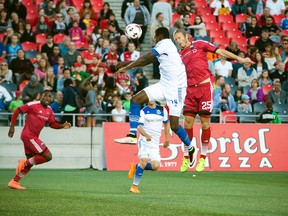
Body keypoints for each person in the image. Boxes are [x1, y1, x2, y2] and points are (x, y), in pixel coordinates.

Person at [173, 29, 254, 172]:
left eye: (179, 38)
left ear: (186, 36)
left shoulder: (199, 44)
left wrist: (241, 59)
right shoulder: (179, 55)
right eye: (176, 40)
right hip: (190, 90)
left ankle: (203, 157)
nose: (178, 41)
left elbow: (221, 52)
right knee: (187, 123)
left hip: (205, 88)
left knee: (205, 124)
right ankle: (187, 156)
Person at [114, 27, 196, 165]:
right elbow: (147, 61)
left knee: (175, 125)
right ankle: (133, 135)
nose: (152, 37)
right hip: (164, 85)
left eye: (154, 34)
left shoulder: (166, 43)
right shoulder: (162, 47)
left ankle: (191, 147)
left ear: (158, 35)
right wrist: (125, 64)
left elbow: (146, 58)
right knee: (135, 100)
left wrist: (127, 68)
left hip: (177, 89)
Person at [7, 90, 71, 190]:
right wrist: (12, 127)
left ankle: (14, 181)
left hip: (32, 137)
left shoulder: (49, 110)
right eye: (46, 96)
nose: (48, 99)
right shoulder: (33, 105)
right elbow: (17, 110)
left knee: (31, 162)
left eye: (50, 97)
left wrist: (62, 126)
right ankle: (24, 162)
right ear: (41, 96)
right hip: (29, 136)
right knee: (48, 156)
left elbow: (52, 124)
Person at [128, 101, 170, 193]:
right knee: (144, 161)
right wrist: (146, 135)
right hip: (144, 141)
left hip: (155, 143)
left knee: (155, 166)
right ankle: (134, 187)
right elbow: (139, 126)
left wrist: (167, 139)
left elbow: (167, 124)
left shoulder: (162, 110)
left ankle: (135, 166)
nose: (151, 99)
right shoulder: (143, 111)